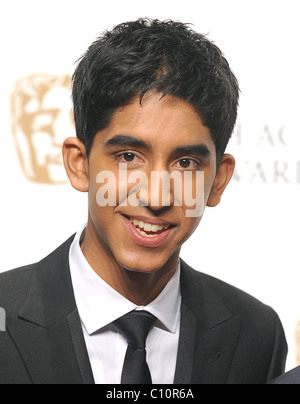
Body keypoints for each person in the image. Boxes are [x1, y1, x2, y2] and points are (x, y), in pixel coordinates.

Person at [0, 18, 287, 384]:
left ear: (218, 181)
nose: (155, 196)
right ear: (79, 164)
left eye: (186, 163)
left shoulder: (256, 334)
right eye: (128, 156)